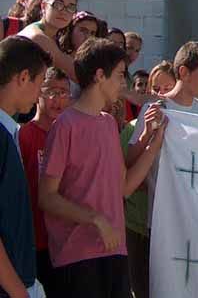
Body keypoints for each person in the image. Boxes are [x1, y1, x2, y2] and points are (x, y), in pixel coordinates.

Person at [39, 38, 165, 298]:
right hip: (77, 259)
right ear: (99, 75)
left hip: (115, 255)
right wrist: (95, 219)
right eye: (120, 75)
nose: (123, 84)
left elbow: (124, 188)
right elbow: (47, 196)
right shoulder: (65, 126)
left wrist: (155, 141)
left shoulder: (109, 124)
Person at [0, 37, 51, 298]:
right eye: (40, 81)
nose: (40, 92)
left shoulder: (10, 133)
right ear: (22, 78)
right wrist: (19, 292)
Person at [120, 62, 174, 298]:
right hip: (138, 222)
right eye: (155, 88)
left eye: (167, 88)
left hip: (170, 224)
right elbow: (128, 171)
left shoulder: (189, 121)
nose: (160, 95)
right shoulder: (131, 128)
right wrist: (146, 137)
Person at [19, 67, 71, 297]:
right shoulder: (23, 135)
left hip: (65, 242)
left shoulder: (71, 135)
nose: (57, 99)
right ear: (38, 92)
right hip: (34, 241)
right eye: (51, 91)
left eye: (63, 92)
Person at [19, 0, 79, 82]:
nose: (64, 11)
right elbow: (76, 73)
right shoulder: (37, 37)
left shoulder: (55, 38)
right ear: (44, 6)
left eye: (71, 7)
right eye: (58, 4)